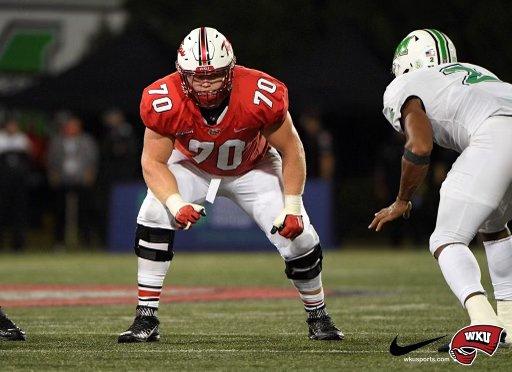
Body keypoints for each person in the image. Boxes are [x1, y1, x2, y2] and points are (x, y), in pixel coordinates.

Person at [118, 27, 342, 343]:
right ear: (182, 74)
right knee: (155, 213)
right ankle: (145, 317)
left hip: (254, 167)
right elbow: (153, 162)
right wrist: (176, 204)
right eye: (198, 77)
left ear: (231, 70)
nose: (207, 84)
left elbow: (292, 149)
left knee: (301, 239)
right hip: (192, 166)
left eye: (215, 75)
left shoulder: (260, 93)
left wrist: (292, 207)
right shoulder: (162, 98)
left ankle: (319, 316)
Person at [369, 29, 512, 351]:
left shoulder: (403, 86)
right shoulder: (477, 72)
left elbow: (419, 146)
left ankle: (484, 323)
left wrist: (402, 200)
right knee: (494, 227)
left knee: (446, 238)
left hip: (498, 132)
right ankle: (509, 321)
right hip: (501, 127)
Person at [0, 119, 32, 251]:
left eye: (14, 125)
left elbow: (29, 158)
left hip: (19, 184)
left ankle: (18, 244)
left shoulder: (23, 139)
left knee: (19, 213)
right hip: (2, 183)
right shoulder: (0, 138)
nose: (12, 128)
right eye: (10, 125)